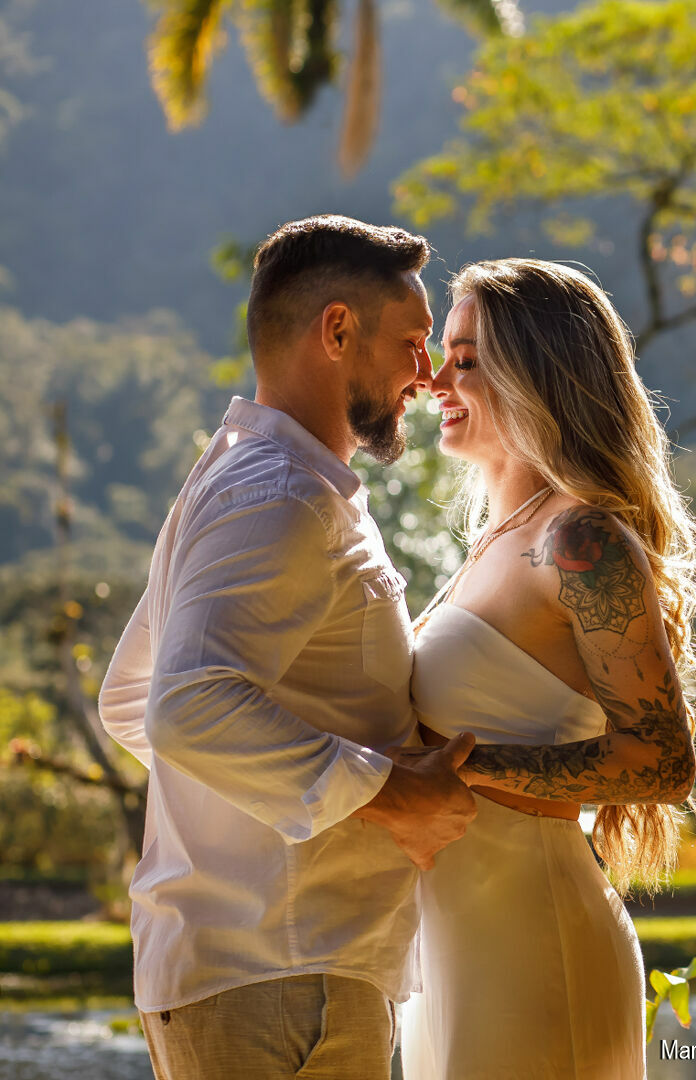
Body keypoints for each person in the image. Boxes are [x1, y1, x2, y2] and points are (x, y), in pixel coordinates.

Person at [97, 214, 479, 1080]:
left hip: (261, 968)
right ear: (337, 330)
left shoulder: (251, 479)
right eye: (413, 342)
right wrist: (386, 797)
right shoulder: (280, 496)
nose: (426, 374)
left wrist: (245, 817)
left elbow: (134, 702)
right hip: (283, 977)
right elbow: (184, 708)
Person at [398, 258, 696, 1080]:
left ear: (537, 374)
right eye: (441, 355)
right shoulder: (494, 544)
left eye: (465, 358)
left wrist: (445, 775)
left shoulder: (581, 541)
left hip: (533, 942)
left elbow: (662, 764)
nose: (435, 379)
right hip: (456, 946)